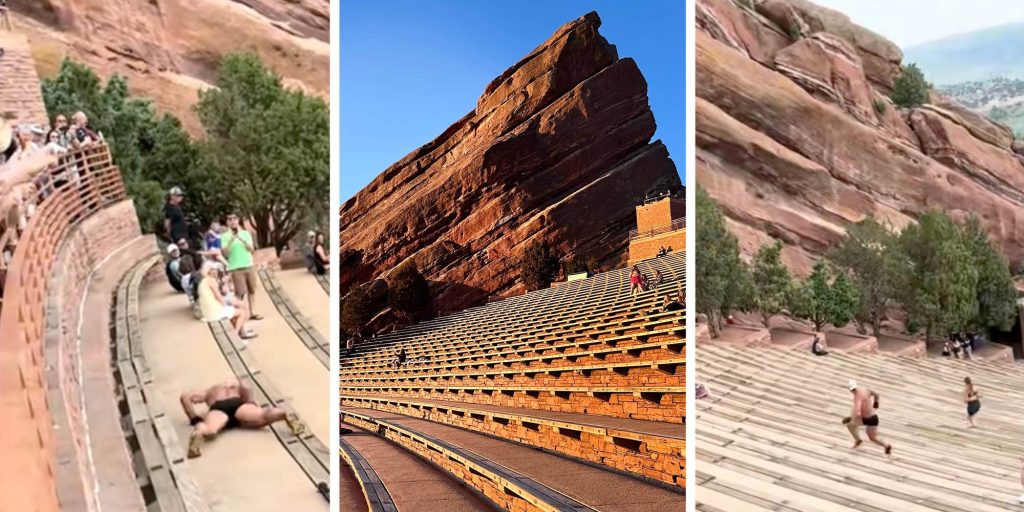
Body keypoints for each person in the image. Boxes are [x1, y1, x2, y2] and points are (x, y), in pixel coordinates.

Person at [179, 379, 303, 458]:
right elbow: (246, 387)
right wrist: (250, 402)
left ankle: (199, 431)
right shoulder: (235, 386)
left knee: (210, 429)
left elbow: (186, 396)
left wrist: (194, 417)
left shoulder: (210, 392)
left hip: (218, 407)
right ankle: (284, 415)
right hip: (238, 404)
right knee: (263, 416)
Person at [197, 261, 256, 340]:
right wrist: (227, 304)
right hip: (214, 312)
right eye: (212, 269)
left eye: (215, 269)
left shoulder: (203, 281)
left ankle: (241, 331)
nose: (215, 271)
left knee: (235, 309)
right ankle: (236, 334)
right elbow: (219, 297)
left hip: (207, 311)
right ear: (208, 271)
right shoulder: (211, 281)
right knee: (242, 312)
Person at [220, 213, 263, 320]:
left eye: (234, 218)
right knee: (240, 293)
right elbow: (225, 253)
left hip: (248, 264)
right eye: (230, 219)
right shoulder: (225, 237)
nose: (232, 221)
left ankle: (253, 312)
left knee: (252, 290)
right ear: (227, 222)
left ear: (238, 220)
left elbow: (252, 249)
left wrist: (242, 240)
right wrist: (231, 241)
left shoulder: (245, 234)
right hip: (235, 267)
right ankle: (238, 313)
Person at [843, 380, 892, 456]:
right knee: (873, 437)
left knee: (850, 425)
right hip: (874, 418)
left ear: (850, 390)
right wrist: (876, 402)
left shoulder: (857, 398)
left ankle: (858, 440)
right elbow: (876, 395)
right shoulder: (866, 390)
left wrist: (850, 418)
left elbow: (857, 412)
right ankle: (886, 445)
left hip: (866, 419)